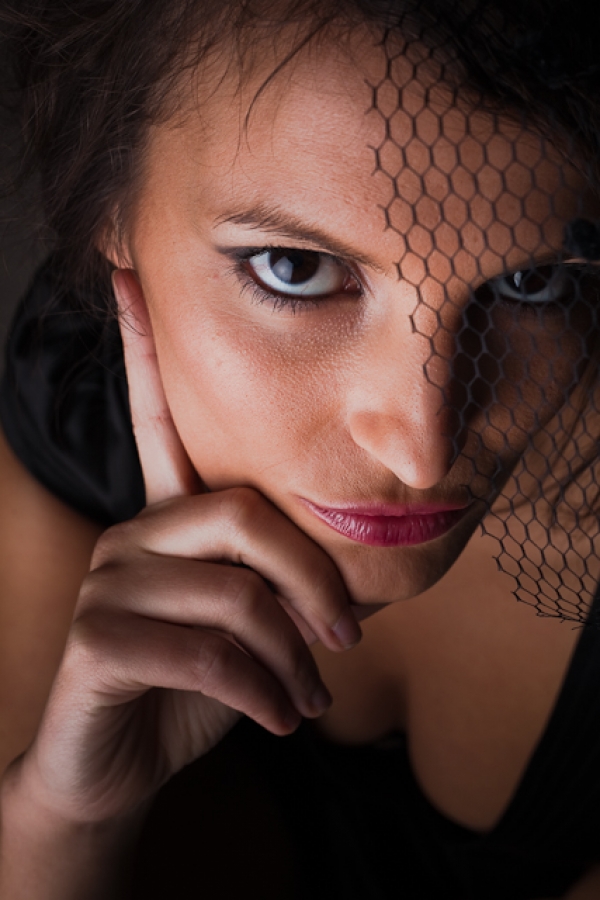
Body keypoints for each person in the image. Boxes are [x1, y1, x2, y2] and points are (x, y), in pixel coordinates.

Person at [1, 0, 600, 897]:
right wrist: (64, 821)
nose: (421, 452)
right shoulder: (76, 403)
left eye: (531, 283)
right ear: (109, 212)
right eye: (297, 269)